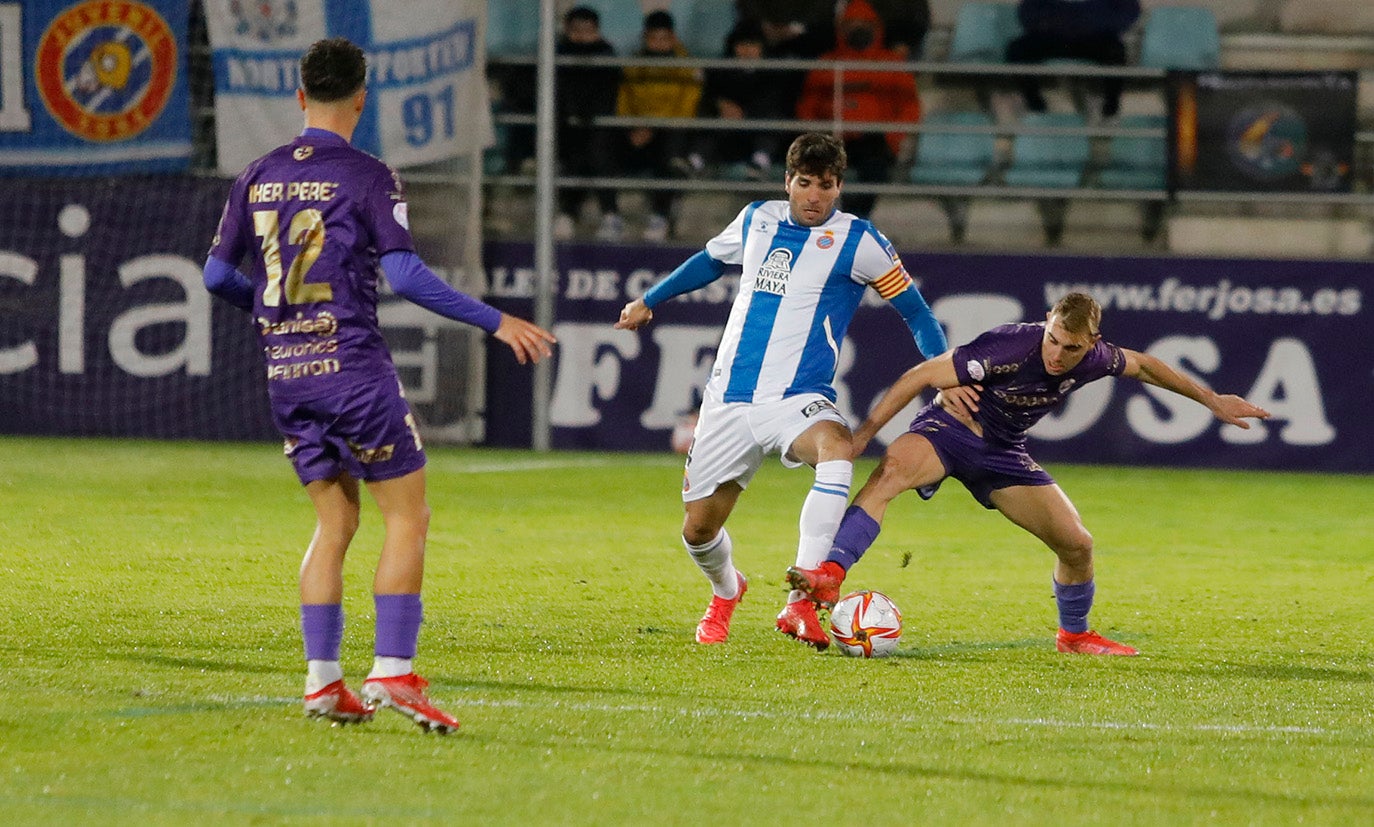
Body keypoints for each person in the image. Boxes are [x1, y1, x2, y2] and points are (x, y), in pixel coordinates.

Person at [203, 38, 556, 731]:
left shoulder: (257, 174)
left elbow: (216, 275)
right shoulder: (367, 175)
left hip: (287, 370)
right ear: (362, 98)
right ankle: (393, 670)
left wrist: (279, 313)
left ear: (300, 95)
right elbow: (407, 276)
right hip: (352, 368)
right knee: (407, 514)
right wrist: (494, 320)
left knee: (335, 522)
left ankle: (322, 681)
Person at [786, 292, 1271, 655]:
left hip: (1002, 452)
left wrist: (1211, 400)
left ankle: (1073, 635)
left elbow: (1144, 366)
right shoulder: (1007, 346)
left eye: (1071, 347)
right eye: (1053, 339)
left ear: (1092, 344)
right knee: (889, 474)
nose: (1058, 354)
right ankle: (830, 574)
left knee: (1078, 544)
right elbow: (920, 376)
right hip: (949, 430)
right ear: (1046, 325)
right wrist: (867, 435)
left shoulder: (1098, 359)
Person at [614, 132, 948, 649]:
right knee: (698, 531)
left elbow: (916, 313)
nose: (815, 196)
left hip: (797, 397)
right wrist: (649, 300)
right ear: (788, 181)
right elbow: (709, 260)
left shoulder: (860, 241)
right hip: (729, 398)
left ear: (840, 188)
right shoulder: (756, 219)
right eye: (806, 183)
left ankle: (801, 603)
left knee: (838, 447)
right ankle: (727, 592)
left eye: (827, 186)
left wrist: (945, 373)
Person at [794, 0, 922, 219]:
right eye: (852, 23)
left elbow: (910, 107)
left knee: (875, 168)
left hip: (875, 141)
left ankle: (855, 218)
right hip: (832, 138)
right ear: (842, 28)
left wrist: (892, 136)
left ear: (875, 27)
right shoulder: (827, 63)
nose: (858, 28)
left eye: (864, 23)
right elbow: (807, 106)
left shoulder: (892, 63)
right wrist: (817, 134)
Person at [613, 10, 702, 242]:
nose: (659, 43)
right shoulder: (634, 65)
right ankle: (610, 215)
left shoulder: (687, 66)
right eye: (654, 38)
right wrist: (631, 127)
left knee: (671, 159)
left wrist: (652, 127)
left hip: (668, 132)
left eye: (664, 38)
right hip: (637, 132)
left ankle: (660, 216)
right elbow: (623, 101)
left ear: (673, 37)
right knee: (601, 146)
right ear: (645, 37)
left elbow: (687, 107)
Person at [1005, 0, 1141, 119]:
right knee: (1017, 50)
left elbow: (1128, 11)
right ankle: (1035, 106)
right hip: (1052, 37)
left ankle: (1110, 110)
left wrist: (1093, 24)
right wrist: (1054, 23)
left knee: (1115, 51)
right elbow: (1028, 12)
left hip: (1096, 38)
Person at [554, 6, 621, 241]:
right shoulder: (558, 53)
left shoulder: (606, 54)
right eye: (576, 30)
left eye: (588, 30)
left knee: (598, 150)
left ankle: (610, 215)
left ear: (597, 31)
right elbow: (556, 94)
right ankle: (568, 213)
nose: (582, 36)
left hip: (599, 127)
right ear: (567, 30)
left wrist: (587, 115)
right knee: (573, 151)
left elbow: (608, 95)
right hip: (567, 127)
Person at [694, 18, 791, 178]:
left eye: (752, 45)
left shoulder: (774, 73)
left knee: (772, 119)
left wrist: (744, 113)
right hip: (726, 131)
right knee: (708, 118)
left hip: (757, 129)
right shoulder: (720, 72)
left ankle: (760, 162)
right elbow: (709, 96)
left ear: (761, 47)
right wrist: (721, 104)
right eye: (741, 45)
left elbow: (774, 102)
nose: (747, 51)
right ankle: (695, 161)